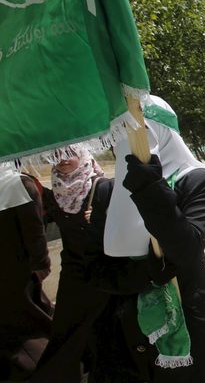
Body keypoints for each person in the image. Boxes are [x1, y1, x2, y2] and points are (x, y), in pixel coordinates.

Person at [87, 96, 205, 382]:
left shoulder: (195, 180)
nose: (132, 145)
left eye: (140, 134)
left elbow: (185, 251)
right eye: (123, 136)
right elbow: (94, 268)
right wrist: (147, 275)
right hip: (123, 333)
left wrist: (149, 186)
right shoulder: (105, 192)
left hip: (190, 315)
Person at [33, 145, 112, 382]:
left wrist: (102, 221)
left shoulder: (103, 187)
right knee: (66, 328)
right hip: (73, 274)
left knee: (103, 327)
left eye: (70, 153)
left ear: (84, 155)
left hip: (103, 271)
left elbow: (125, 228)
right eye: (56, 155)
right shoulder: (54, 193)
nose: (63, 159)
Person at [0, 164, 53, 381]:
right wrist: (41, 266)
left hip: (17, 272)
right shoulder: (19, 184)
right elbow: (35, 233)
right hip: (18, 273)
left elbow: (34, 233)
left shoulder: (19, 184)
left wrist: (40, 267)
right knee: (29, 325)